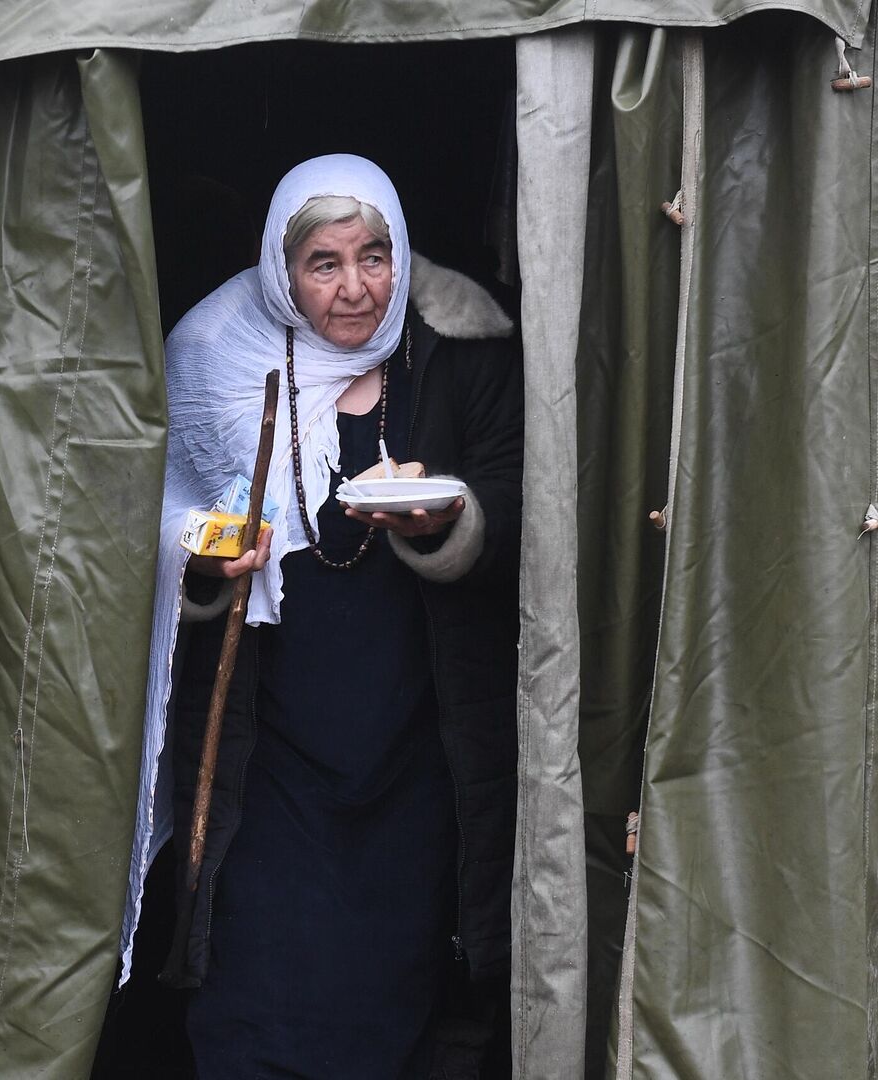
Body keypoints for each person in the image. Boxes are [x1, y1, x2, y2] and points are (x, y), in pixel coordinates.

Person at [150, 155, 522, 1077]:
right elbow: (145, 514)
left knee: (395, 1002)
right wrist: (201, 559)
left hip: (414, 751)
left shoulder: (457, 353)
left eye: (374, 256)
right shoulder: (218, 355)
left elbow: (527, 504)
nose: (355, 288)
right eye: (324, 263)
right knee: (257, 995)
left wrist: (450, 519)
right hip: (266, 755)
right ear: (283, 270)